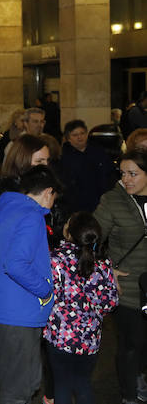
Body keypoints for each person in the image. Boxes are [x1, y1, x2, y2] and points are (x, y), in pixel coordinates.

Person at [0, 166, 62, 404]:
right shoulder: (32, 216)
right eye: (54, 197)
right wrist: (46, 290)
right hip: (19, 316)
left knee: (22, 383)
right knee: (18, 391)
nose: (53, 204)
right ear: (48, 192)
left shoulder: (8, 213)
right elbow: (15, 264)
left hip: (2, 312)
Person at [43, 212, 118, 404]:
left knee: (62, 384)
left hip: (60, 336)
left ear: (69, 233)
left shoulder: (55, 260)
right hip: (90, 339)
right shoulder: (103, 263)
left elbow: (46, 294)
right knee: (83, 383)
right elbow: (110, 303)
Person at [93, 149, 147, 404]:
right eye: (123, 173)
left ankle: (141, 377)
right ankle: (129, 395)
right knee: (131, 344)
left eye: (133, 173)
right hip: (128, 287)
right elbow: (89, 241)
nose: (126, 179)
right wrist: (106, 270)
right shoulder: (112, 201)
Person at [59, 120, 113, 213]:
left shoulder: (98, 150)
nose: (79, 137)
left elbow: (109, 173)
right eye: (75, 135)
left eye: (82, 133)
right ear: (68, 138)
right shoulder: (63, 156)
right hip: (76, 205)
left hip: (101, 201)